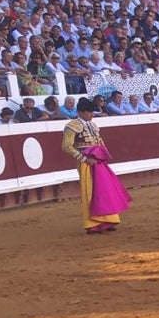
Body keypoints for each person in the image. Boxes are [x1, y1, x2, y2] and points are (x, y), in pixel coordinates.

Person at [61, 98, 131, 235]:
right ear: (81, 112)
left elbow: (100, 141)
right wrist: (85, 159)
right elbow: (66, 146)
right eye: (89, 112)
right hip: (85, 163)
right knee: (89, 192)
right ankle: (93, 224)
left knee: (105, 190)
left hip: (98, 161)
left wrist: (103, 155)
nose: (92, 114)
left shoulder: (93, 125)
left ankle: (108, 220)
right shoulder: (72, 126)